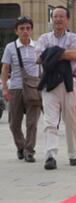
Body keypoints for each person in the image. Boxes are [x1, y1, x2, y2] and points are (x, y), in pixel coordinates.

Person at [36, 6, 76, 170]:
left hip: (69, 82)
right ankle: (50, 155)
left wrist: (52, 53)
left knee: (70, 120)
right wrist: (62, 54)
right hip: (49, 83)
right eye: (55, 16)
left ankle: (73, 154)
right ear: (51, 19)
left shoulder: (74, 37)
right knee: (50, 121)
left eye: (61, 16)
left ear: (67, 19)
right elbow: (38, 58)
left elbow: (74, 54)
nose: (58, 19)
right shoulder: (43, 37)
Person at [1, 16, 42, 163]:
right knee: (14, 123)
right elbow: (5, 68)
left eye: (28, 28)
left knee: (32, 123)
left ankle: (29, 151)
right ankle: (21, 146)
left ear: (31, 30)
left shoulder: (37, 46)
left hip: (33, 88)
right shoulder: (10, 47)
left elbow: (41, 68)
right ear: (16, 31)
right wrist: (5, 88)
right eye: (22, 29)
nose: (25, 31)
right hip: (16, 88)